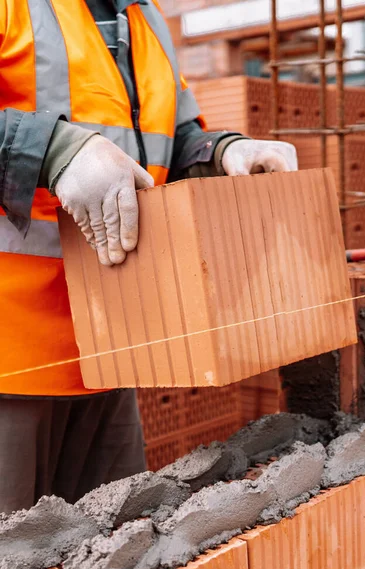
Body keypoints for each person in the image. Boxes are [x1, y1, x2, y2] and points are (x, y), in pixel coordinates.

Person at [0, 0, 297, 513]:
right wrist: (51, 150)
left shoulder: (145, 16)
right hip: (12, 356)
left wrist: (220, 151)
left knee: (109, 560)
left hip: (110, 343)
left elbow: (167, 139)